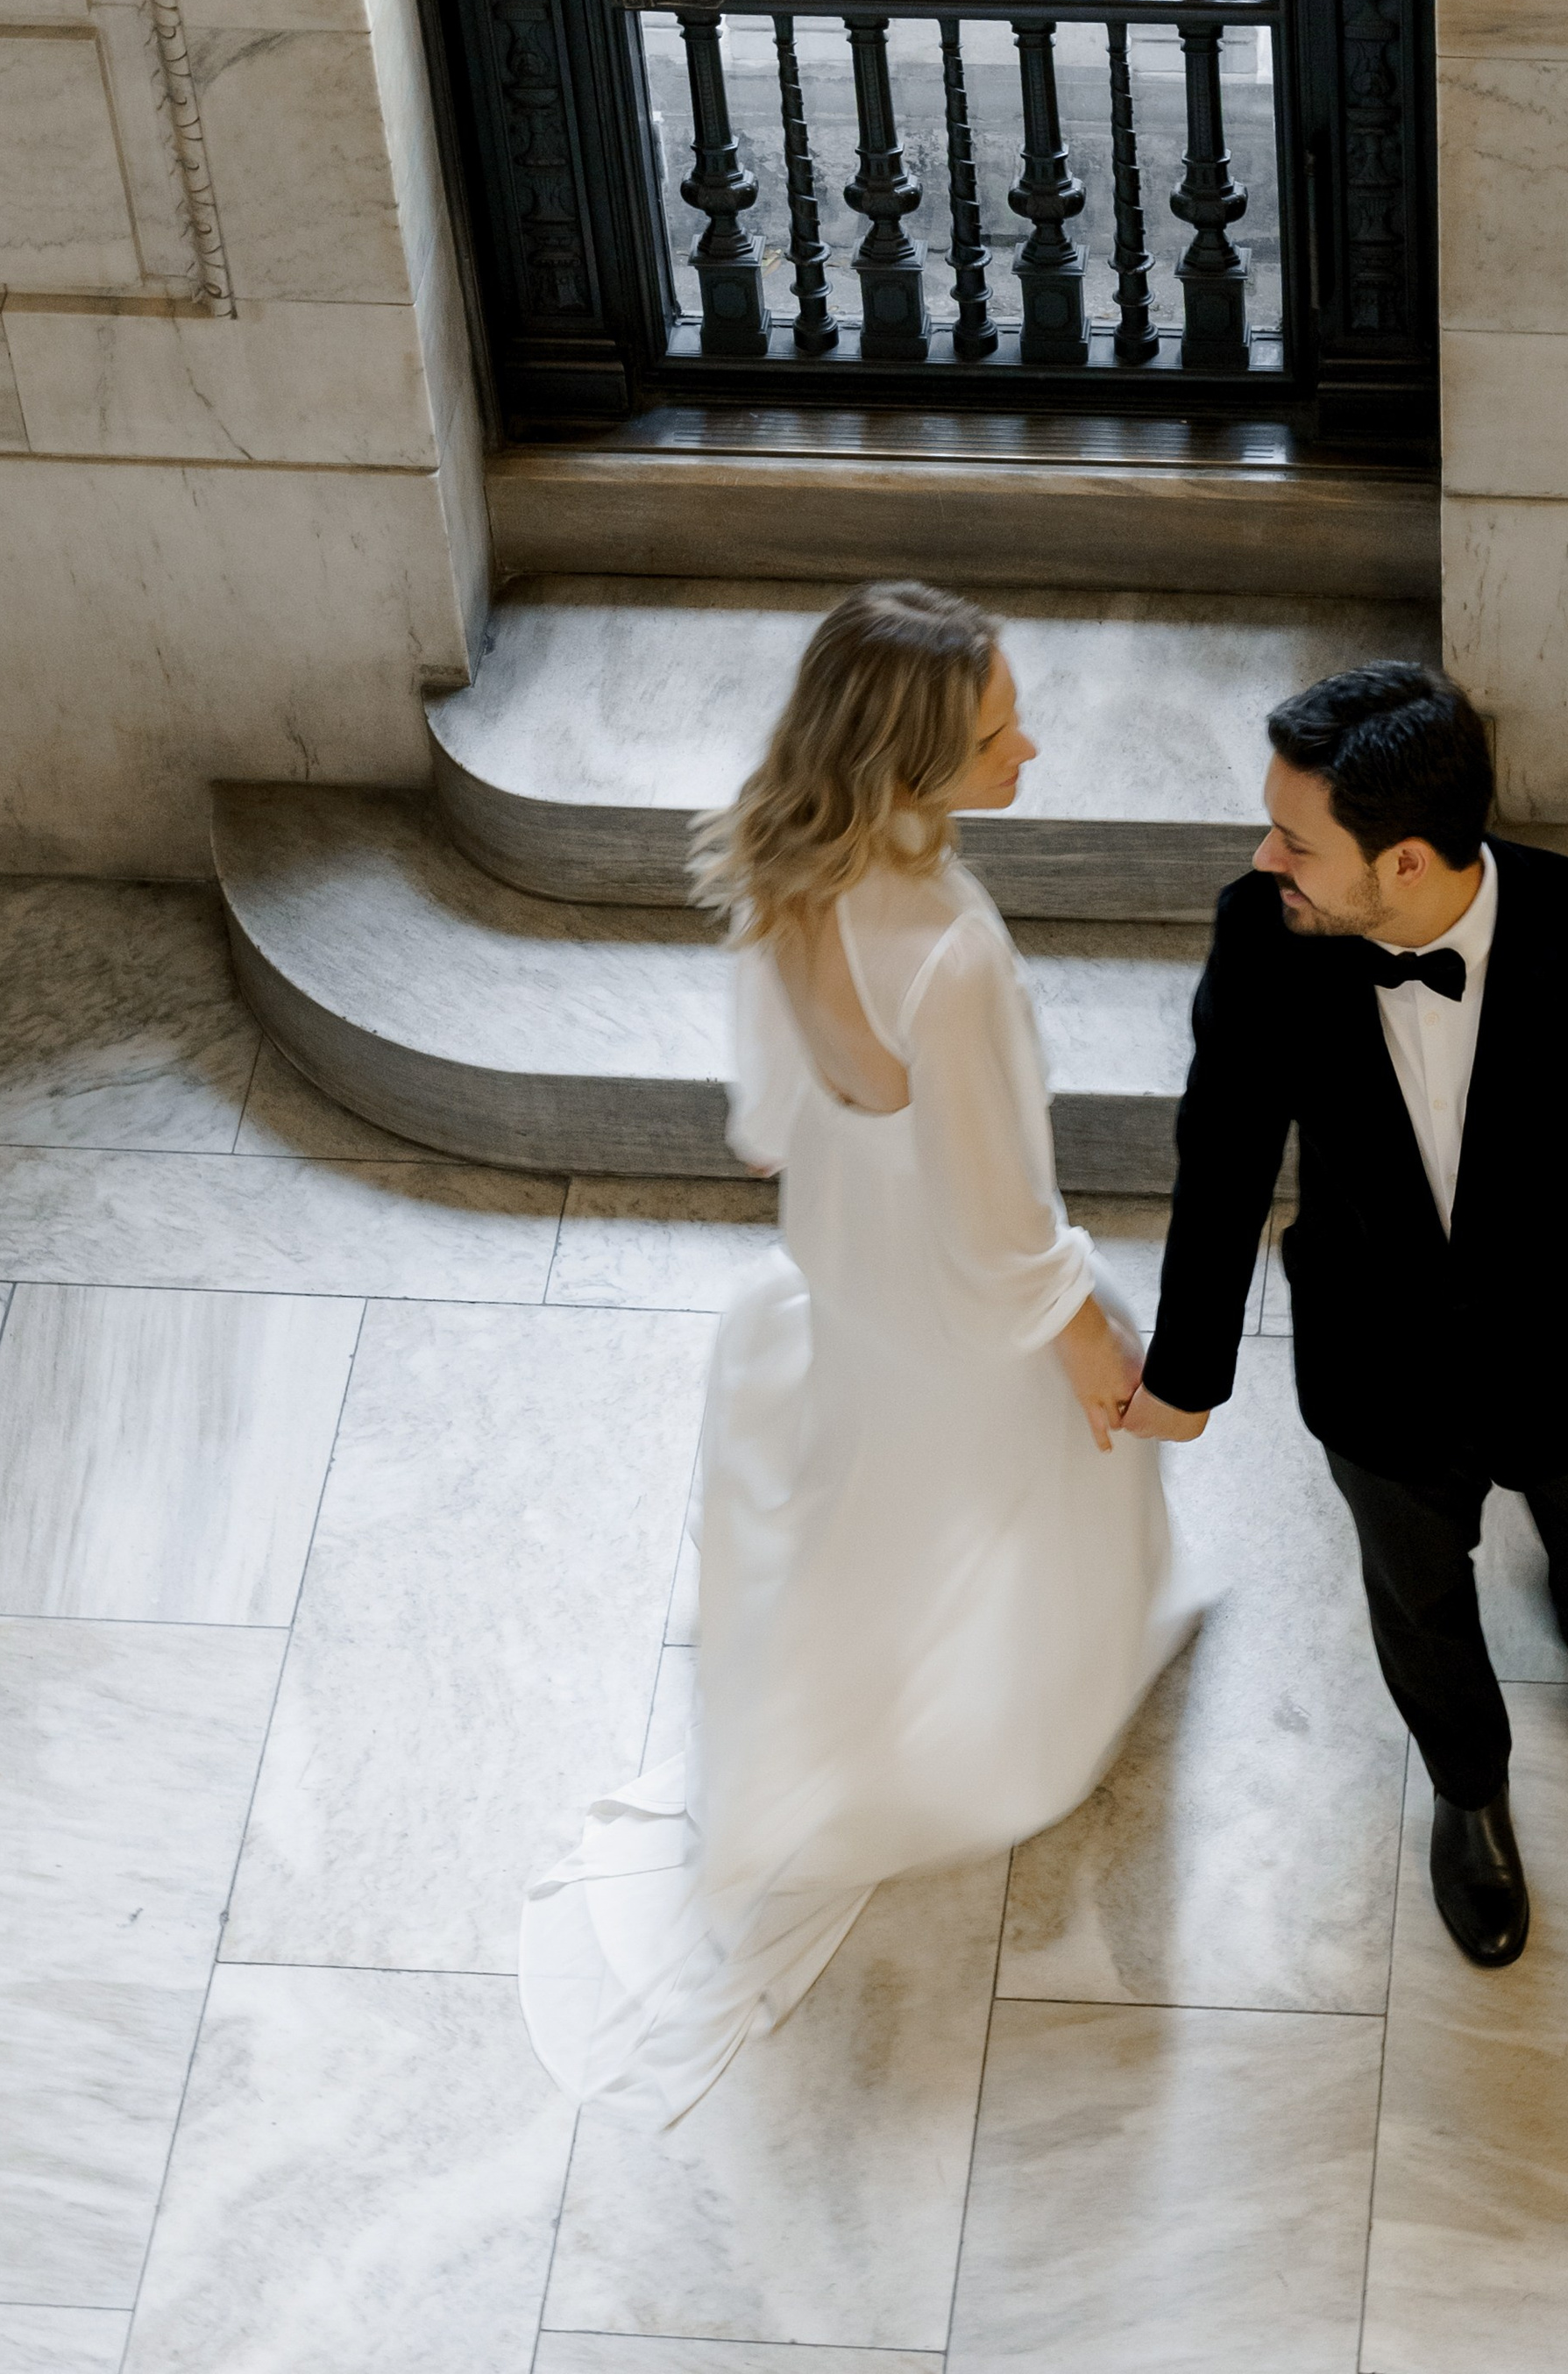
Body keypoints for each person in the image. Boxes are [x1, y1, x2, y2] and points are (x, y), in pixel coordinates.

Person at [521, 579, 1192, 2121]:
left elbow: (769, 1107)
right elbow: (999, 1213)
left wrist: (802, 1131)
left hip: (847, 1242)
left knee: (880, 1464)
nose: (1032, 745)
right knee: (1024, 1475)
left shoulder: (786, 849)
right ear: (908, 768)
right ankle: (989, 1729)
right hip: (950, 1283)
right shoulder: (948, 956)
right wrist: (1088, 1341)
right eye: (996, 732)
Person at [1121, 660, 1568, 1969]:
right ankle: (1471, 1791)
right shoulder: (1267, 933)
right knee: (1417, 1604)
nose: (1266, 858)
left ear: (1407, 861)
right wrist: (1185, 1372)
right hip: (1380, 1365)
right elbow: (1226, 1148)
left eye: (1296, 839)